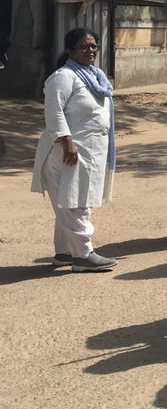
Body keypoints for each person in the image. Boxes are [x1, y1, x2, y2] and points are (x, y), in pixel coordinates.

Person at [32, 28, 118, 272]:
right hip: (66, 151)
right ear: (70, 51)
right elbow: (53, 111)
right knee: (75, 202)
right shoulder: (64, 76)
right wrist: (66, 140)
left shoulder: (97, 76)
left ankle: (65, 252)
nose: (90, 50)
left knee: (68, 201)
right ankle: (82, 254)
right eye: (84, 46)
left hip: (90, 151)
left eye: (93, 46)